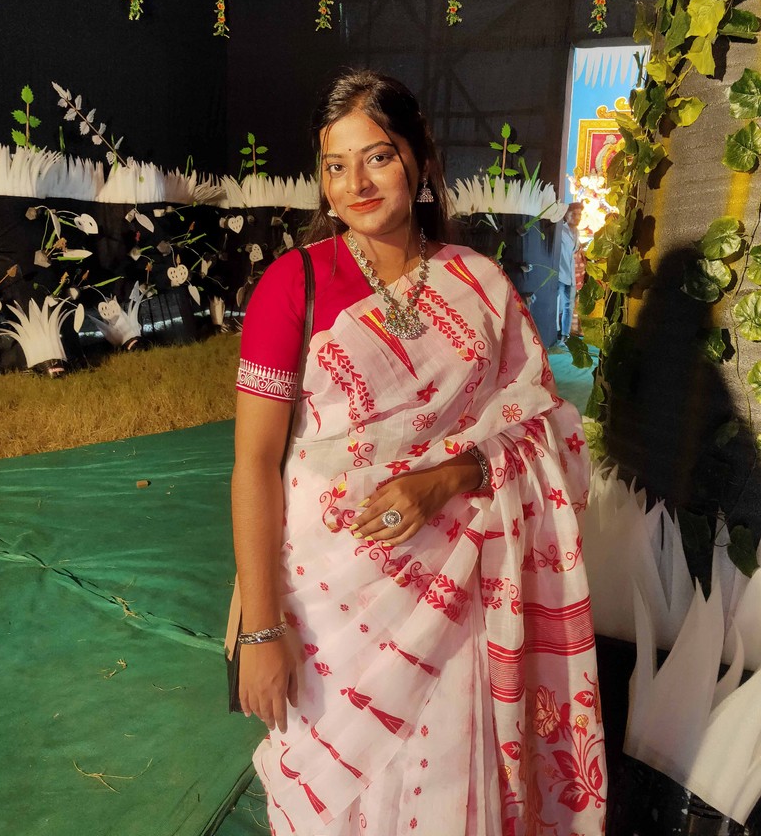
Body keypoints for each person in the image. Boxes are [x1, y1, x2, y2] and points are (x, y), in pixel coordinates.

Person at [228, 69, 606, 835]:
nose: (356, 184)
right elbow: (256, 464)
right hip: (328, 599)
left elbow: (546, 430)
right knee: (334, 794)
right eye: (336, 165)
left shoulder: (481, 284)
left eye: (377, 156)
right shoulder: (293, 285)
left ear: (420, 160)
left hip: (459, 585)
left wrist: (445, 480)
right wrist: (261, 629)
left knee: (448, 784)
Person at [556, 202, 583, 348]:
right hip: (560, 273)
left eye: (579, 214)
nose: (577, 217)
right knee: (557, 305)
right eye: (574, 214)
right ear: (566, 215)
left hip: (571, 275)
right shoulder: (560, 230)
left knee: (569, 306)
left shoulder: (577, 232)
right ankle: (555, 334)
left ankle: (565, 337)